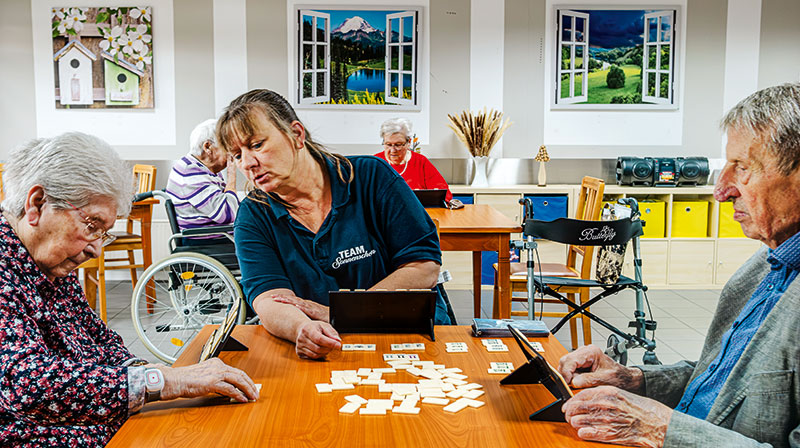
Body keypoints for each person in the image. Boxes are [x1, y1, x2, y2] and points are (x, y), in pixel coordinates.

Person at [557, 83, 800, 447]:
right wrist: (633, 380)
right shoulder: (766, 266)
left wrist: (659, 429)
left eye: (743, 167)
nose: (721, 191)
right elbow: (720, 381)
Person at [0, 132, 258, 446]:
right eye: (92, 225)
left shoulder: (49, 265)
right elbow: (29, 386)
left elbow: (100, 340)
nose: (96, 249)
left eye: (103, 233)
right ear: (37, 204)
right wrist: (165, 380)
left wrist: (149, 371)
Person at [217, 89, 451, 360]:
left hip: (407, 338)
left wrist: (344, 313)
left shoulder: (371, 177)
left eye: (257, 145)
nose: (248, 163)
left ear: (296, 135)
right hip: (327, 346)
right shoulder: (254, 215)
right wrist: (303, 328)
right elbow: (269, 298)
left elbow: (423, 267)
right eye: (237, 155)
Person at [165, 118, 239, 244]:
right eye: (227, 147)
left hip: (216, 236)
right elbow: (228, 214)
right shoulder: (191, 173)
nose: (231, 153)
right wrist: (232, 176)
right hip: (208, 240)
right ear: (208, 147)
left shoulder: (202, 168)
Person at [374, 118, 453, 201]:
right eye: (388, 144)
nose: (393, 150)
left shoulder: (420, 162)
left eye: (398, 145)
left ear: (408, 142)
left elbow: (443, 194)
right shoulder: (376, 162)